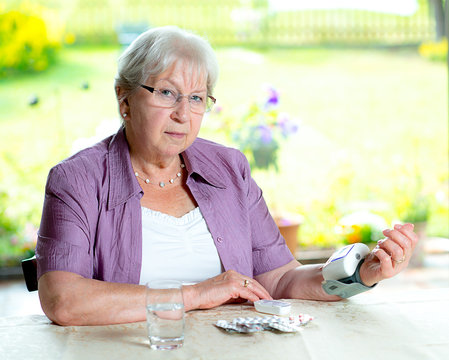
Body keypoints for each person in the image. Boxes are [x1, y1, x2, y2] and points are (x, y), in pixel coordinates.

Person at [36, 26, 419, 326]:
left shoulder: (230, 169)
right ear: (124, 100)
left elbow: (281, 281)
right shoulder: (77, 181)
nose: (183, 114)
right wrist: (197, 294)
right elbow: (64, 301)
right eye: (167, 93)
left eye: (197, 98)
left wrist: (359, 276)